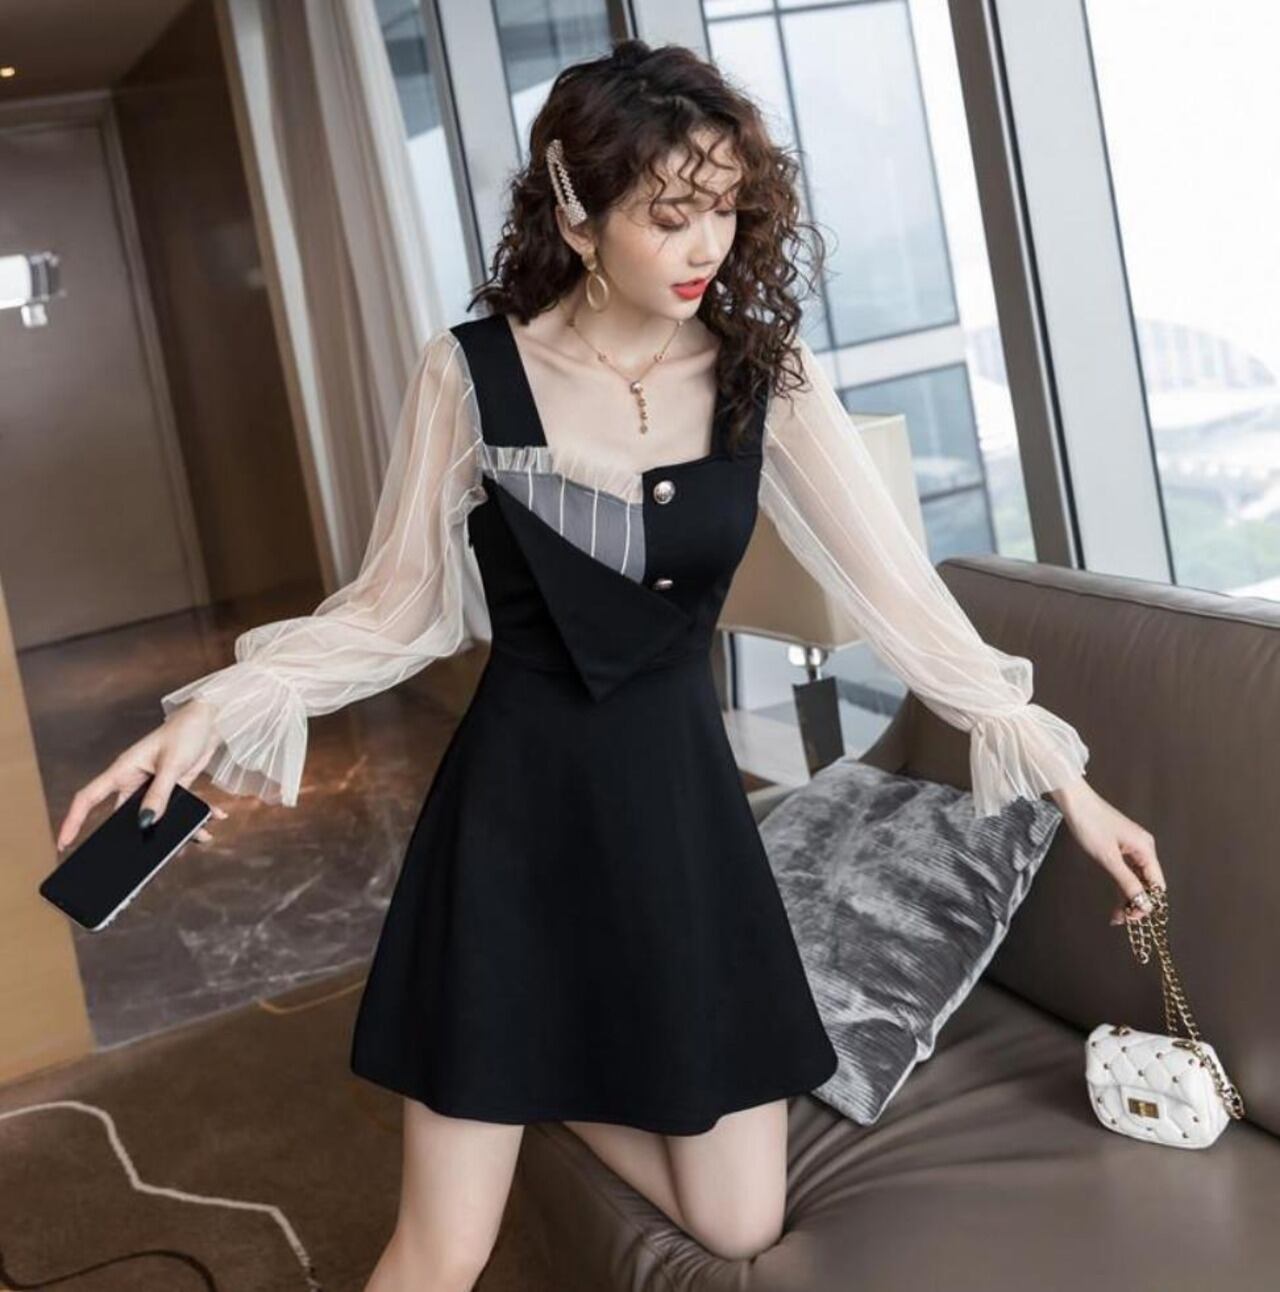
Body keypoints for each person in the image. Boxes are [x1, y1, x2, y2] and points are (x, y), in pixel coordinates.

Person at [56, 38, 1164, 1292]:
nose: (706, 247)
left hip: (683, 823)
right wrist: (211, 711)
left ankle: (536, 1079)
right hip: (512, 822)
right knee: (443, 1246)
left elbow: (906, 602)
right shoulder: (470, 372)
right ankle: (504, 1065)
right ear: (577, 216)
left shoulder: (763, 376)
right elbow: (396, 609)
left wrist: (1070, 788)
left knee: (736, 1220)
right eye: (669, 215)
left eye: (725, 209)